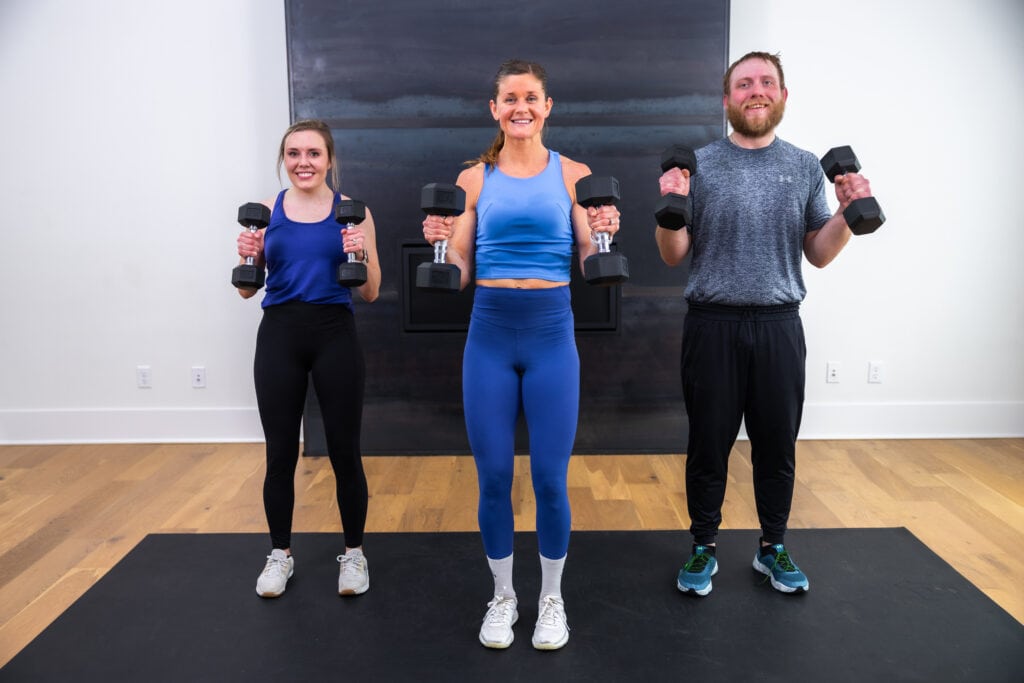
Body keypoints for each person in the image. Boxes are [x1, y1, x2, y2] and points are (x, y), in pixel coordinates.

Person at [655, 52, 876, 596]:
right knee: (709, 442)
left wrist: (851, 213)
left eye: (767, 83)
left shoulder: (803, 166)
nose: (757, 91)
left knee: (778, 444)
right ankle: (703, 547)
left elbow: (818, 253)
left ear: (782, 96)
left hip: (779, 323)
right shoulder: (699, 164)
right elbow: (672, 254)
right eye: (744, 83)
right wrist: (671, 208)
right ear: (727, 99)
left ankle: (772, 546)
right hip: (712, 324)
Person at [422, 59, 620, 650]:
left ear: (547, 105)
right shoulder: (473, 179)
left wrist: (606, 229)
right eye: (509, 99)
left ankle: (551, 599)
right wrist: (439, 241)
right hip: (489, 336)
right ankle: (504, 597)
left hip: (550, 336)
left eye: (530, 98)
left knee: (551, 479)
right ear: (495, 108)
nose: (520, 108)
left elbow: (592, 262)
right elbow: (456, 274)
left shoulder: (574, 175)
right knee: (493, 478)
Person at [235, 119, 381, 599]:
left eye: (313, 154)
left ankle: (355, 556)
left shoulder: (353, 213)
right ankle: (280, 555)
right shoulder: (267, 211)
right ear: (284, 159)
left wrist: (357, 253)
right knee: (280, 452)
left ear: (329, 160)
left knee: (344, 451)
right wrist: (249, 256)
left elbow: (373, 292)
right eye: (294, 153)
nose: (303, 162)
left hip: (334, 333)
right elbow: (245, 289)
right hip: (279, 334)